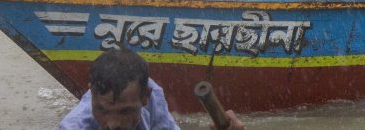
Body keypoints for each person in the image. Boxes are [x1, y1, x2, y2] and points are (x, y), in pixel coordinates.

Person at [59, 49, 244, 130]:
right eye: (102, 110)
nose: (112, 124)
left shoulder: (153, 96)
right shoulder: (72, 127)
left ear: (145, 96)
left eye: (125, 111)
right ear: (91, 95)